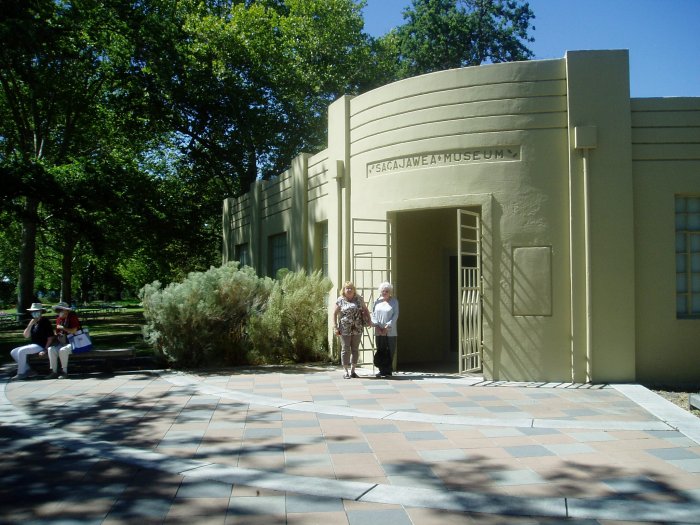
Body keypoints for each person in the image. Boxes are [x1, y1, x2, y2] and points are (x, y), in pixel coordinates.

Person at [332, 281, 370, 379]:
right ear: (343, 290)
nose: (349, 290)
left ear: (354, 290)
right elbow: (334, 314)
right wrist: (335, 326)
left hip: (357, 327)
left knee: (355, 349)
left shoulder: (359, 299)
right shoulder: (340, 300)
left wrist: (369, 320)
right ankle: (345, 371)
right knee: (345, 349)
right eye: (347, 288)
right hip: (344, 327)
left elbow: (365, 310)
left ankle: (353, 370)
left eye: (351, 288)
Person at [9, 303, 54, 380]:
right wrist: (30, 325)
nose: (34, 313)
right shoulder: (33, 322)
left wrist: (45, 349)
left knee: (22, 351)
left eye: (36, 311)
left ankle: (21, 373)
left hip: (41, 345)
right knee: (13, 351)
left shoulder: (45, 321)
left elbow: (50, 337)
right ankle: (28, 370)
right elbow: (26, 336)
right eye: (32, 311)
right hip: (34, 345)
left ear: (40, 311)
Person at [46, 302, 81, 379]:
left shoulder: (72, 317)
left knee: (63, 350)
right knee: (51, 349)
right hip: (62, 342)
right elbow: (57, 332)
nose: (60, 312)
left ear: (67, 311)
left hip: (74, 342)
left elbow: (74, 331)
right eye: (58, 310)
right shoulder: (59, 319)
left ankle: (64, 372)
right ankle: (53, 371)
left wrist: (63, 328)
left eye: (61, 310)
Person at [371, 282, 399, 378]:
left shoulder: (394, 302)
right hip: (379, 330)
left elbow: (395, 315)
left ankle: (388, 370)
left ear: (390, 292)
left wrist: (387, 327)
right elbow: (373, 314)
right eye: (383, 291)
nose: (385, 293)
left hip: (390, 331)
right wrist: (377, 326)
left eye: (387, 291)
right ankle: (382, 370)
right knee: (381, 350)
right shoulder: (377, 301)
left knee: (390, 350)